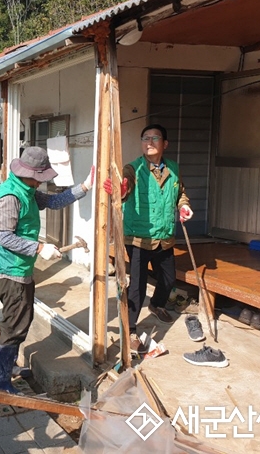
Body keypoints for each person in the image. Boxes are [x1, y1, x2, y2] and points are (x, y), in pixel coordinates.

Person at [0, 146, 94, 393]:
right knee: (15, 326)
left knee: (20, 321)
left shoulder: (28, 190)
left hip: (19, 269)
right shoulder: (11, 197)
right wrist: (38, 248)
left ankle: (10, 367)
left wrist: (85, 187)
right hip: (8, 271)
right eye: (41, 177)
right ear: (31, 173)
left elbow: (55, 202)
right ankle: (1, 382)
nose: (42, 183)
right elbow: (4, 236)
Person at [103, 123, 193, 354]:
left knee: (169, 279)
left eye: (155, 138)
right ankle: (131, 329)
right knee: (137, 286)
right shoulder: (133, 169)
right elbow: (124, 191)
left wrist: (184, 207)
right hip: (138, 238)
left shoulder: (173, 168)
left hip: (164, 237)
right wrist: (120, 191)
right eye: (145, 138)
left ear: (165, 144)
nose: (150, 142)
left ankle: (157, 304)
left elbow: (180, 192)